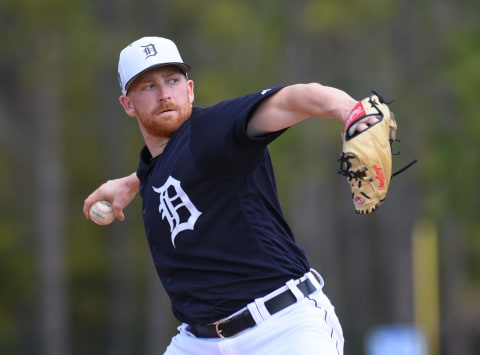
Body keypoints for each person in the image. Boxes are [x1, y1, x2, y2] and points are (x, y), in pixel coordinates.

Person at [83, 36, 366, 355]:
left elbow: (292, 99)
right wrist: (133, 182)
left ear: (189, 89)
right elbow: (176, 169)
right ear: (128, 104)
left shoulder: (214, 130)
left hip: (282, 329)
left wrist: (348, 110)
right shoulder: (153, 168)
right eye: (148, 86)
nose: (164, 94)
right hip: (197, 342)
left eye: (172, 80)